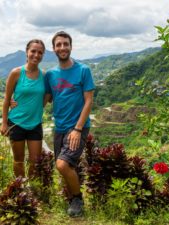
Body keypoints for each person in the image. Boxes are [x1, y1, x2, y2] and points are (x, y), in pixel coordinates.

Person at [44, 31, 95, 217]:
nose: (62, 47)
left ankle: (77, 199)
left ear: (71, 46)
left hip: (77, 127)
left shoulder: (83, 70)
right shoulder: (50, 74)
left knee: (63, 165)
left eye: (66, 44)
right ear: (54, 49)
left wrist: (78, 129)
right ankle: (72, 195)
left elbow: (89, 101)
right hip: (59, 127)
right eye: (59, 45)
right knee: (65, 166)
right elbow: (45, 99)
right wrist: (17, 103)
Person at [0, 39, 46, 178]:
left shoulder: (44, 75)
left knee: (35, 161)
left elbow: (48, 96)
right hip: (16, 123)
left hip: (35, 124)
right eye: (33, 51)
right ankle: (20, 188)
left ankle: (31, 190)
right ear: (27, 52)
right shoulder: (16, 73)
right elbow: (7, 99)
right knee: (18, 160)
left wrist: (37, 108)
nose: (36, 55)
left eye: (40, 52)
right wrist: (4, 123)